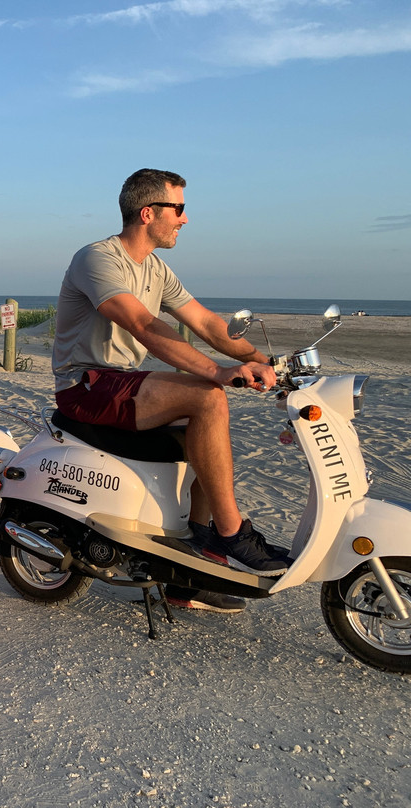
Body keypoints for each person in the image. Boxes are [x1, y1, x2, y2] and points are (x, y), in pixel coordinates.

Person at [52, 169, 288, 609]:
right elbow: (142, 323)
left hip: (123, 384)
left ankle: (196, 562)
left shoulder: (156, 268)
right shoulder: (97, 259)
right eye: (178, 209)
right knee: (207, 395)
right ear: (148, 213)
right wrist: (217, 373)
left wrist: (259, 359)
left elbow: (208, 324)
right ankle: (233, 534)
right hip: (85, 384)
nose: (184, 219)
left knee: (208, 422)